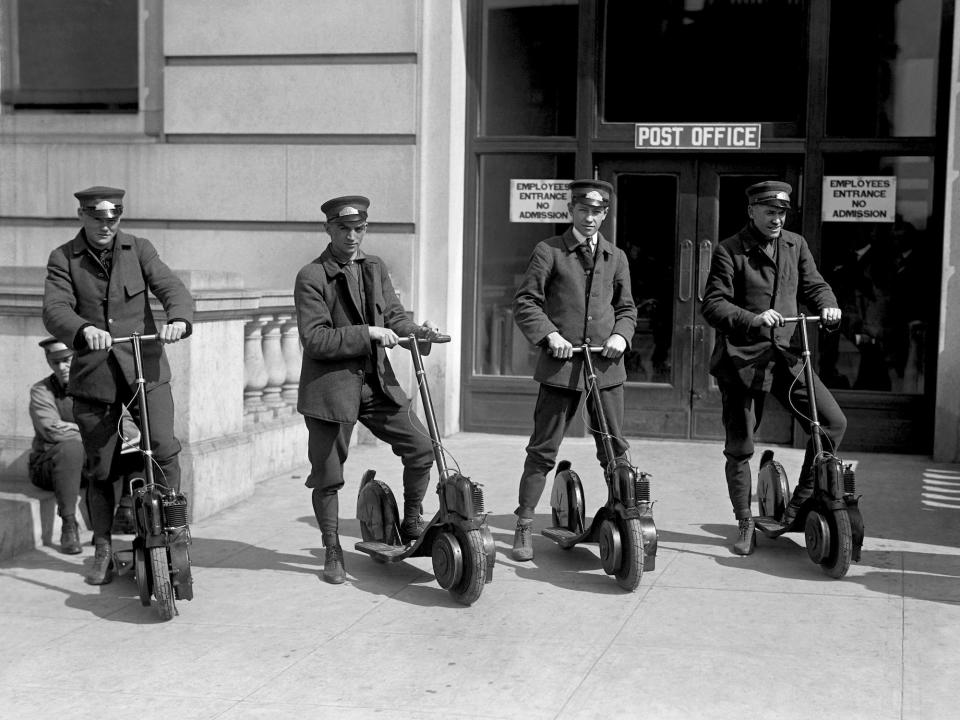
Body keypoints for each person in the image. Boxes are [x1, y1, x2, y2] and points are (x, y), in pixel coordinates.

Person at [43, 186, 193, 585]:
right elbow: (54, 310)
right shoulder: (64, 258)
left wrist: (177, 318)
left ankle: (175, 530)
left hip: (145, 365)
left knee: (163, 445)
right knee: (102, 468)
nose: (106, 225)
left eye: (113, 218)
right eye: (98, 218)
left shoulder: (139, 249)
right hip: (95, 374)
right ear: (82, 216)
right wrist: (83, 329)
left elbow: (171, 287)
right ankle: (104, 546)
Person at [294, 195, 439, 585]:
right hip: (330, 391)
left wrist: (417, 332)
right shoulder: (312, 276)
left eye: (359, 228)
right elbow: (315, 339)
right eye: (343, 228)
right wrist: (369, 334)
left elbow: (393, 316)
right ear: (328, 229)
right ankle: (332, 549)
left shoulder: (374, 267)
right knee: (328, 476)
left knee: (422, 446)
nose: (353, 236)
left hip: (378, 386)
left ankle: (411, 521)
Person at [701, 180, 847, 556]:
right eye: (770, 211)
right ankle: (745, 522)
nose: (777, 219)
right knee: (741, 446)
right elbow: (713, 305)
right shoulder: (729, 251)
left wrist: (828, 304)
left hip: (787, 356)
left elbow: (815, 285)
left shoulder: (795, 244)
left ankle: (798, 505)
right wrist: (752, 318)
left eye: (782, 212)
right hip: (742, 361)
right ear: (752, 211)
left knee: (830, 423)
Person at [511, 179, 638, 561]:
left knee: (614, 447)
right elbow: (526, 302)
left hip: (605, 366)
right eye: (583, 210)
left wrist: (621, 335)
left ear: (605, 214)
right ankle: (523, 524)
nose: (589, 218)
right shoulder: (548, 251)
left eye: (597, 211)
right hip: (561, 367)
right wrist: (549, 335)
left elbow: (627, 308)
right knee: (543, 449)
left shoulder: (615, 256)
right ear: (571, 211)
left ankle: (624, 517)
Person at [28, 338, 85, 554]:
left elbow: (125, 428)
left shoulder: (95, 387)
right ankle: (69, 525)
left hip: (86, 466)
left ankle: (125, 512)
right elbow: (52, 431)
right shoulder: (41, 390)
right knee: (70, 448)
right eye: (55, 362)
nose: (62, 367)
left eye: (67, 360)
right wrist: (88, 430)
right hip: (47, 467)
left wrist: (71, 426)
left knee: (136, 447)